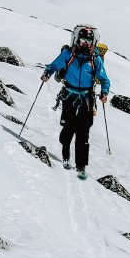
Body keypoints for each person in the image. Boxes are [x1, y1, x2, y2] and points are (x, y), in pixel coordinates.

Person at [41, 27, 111, 180]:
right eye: (83, 40)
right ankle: (65, 156)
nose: (85, 43)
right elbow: (53, 66)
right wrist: (47, 73)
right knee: (68, 129)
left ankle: (81, 167)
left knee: (83, 134)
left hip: (87, 99)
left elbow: (104, 79)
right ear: (77, 40)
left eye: (88, 41)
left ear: (93, 42)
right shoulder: (68, 54)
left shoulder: (95, 59)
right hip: (69, 96)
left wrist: (104, 92)